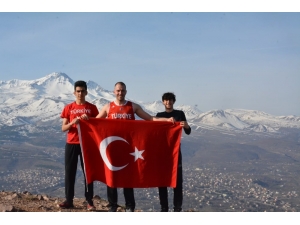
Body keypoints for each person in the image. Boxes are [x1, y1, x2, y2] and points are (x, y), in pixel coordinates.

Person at [96, 81, 174, 212]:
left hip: (129, 149)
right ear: (114, 92)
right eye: (118, 90)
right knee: (111, 177)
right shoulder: (107, 107)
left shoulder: (133, 106)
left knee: (128, 178)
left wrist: (166, 120)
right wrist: (84, 119)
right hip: (112, 149)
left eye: (122, 90)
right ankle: (112, 206)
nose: (120, 93)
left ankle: (130, 207)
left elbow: (149, 119)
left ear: (126, 92)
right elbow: (95, 122)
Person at [59, 80, 99, 211]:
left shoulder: (92, 108)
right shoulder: (69, 108)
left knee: (88, 173)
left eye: (82, 91)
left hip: (86, 144)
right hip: (71, 143)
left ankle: (89, 201)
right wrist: (72, 123)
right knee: (69, 172)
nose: (80, 93)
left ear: (86, 92)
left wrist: (90, 120)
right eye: (78, 91)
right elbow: (63, 128)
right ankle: (69, 200)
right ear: (74, 92)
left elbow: (98, 126)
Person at [156, 92, 191, 212]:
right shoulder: (159, 115)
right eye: (166, 100)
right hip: (162, 153)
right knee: (162, 182)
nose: (168, 102)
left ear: (173, 101)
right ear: (163, 102)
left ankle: (177, 208)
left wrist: (185, 125)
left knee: (177, 183)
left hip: (175, 153)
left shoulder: (180, 114)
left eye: (170, 100)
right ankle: (164, 208)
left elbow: (188, 131)